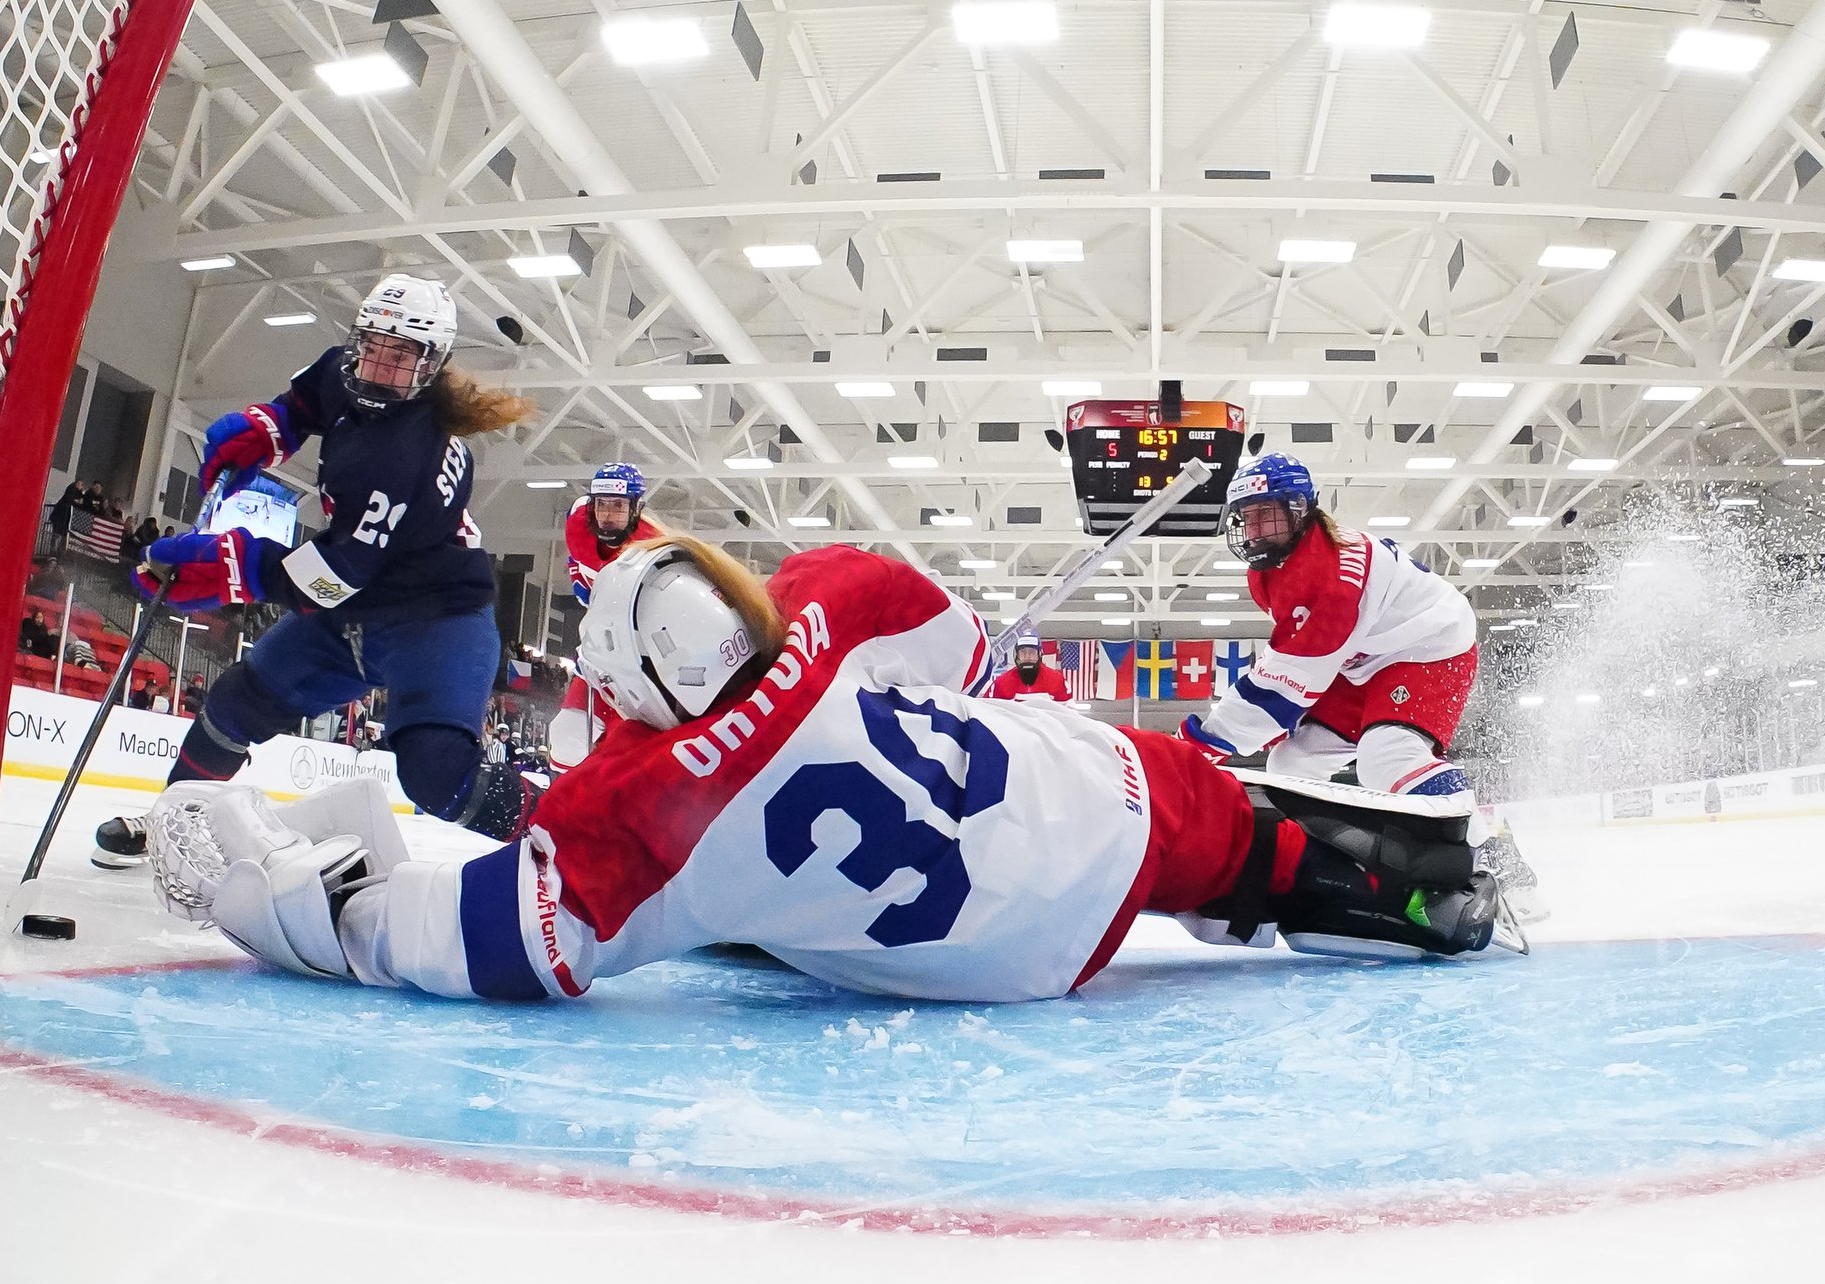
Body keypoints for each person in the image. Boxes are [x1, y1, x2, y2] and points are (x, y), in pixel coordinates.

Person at [152, 535, 1522, 1007]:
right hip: (1093, 799)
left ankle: (1312, 865)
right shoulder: (823, 592)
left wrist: (269, 895)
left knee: (728, 912)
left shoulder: (637, 809)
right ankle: (1391, 878)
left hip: (998, 964)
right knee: (1223, 826)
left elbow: (482, 941)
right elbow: (966, 655)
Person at [90, 274, 536, 870]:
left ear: (431, 365)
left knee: (436, 772)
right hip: (356, 607)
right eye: (373, 344)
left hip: (433, 621)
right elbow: (303, 405)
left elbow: (331, 576)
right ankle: (174, 822)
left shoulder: (406, 453)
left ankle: (572, 830)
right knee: (235, 704)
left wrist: (232, 565)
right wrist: (268, 430)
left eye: (401, 355)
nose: (379, 365)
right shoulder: (345, 372)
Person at [1175, 452, 1544, 919]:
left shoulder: (1332, 576)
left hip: (1427, 646)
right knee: (1292, 762)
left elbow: (1286, 683)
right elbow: (1298, 666)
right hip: (1362, 660)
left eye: (1266, 514)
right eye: (1247, 517)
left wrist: (1199, 745)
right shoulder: (1271, 570)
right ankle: (1326, 869)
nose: (1255, 529)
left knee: (1387, 757)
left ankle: (1492, 854)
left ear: (1299, 511)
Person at [548, 462, 663, 772]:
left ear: (636, 508)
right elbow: (578, 551)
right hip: (598, 656)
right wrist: (577, 573)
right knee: (566, 736)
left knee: (632, 751)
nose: (608, 514)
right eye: (602, 504)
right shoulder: (577, 519)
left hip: (640, 669)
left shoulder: (653, 550)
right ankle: (564, 801)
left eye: (618, 506)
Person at [986, 632, 1072, 703]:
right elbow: (989, 710)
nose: (1027, 656)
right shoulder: (1002, 682)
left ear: (1039, 654)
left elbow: (1068, 712)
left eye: (1032, 652)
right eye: (1023, 652)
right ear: (1017, 655)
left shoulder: (1056, 679)